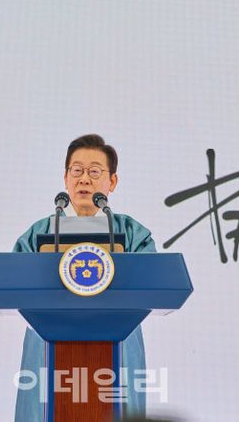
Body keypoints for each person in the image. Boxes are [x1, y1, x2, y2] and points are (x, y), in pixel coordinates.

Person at [13, 134, 156, 421]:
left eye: (94, 171)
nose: (84, 179)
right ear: (65, 178)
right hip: (48, 345)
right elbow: (15, 281)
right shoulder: (42, 232)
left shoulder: (131, 233)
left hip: (117, 344)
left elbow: (152, 280)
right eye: (77, 170)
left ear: (112, 181)